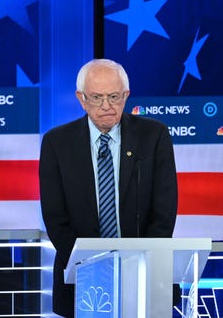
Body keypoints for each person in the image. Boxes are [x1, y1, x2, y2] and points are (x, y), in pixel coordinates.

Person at [39, 59, 177, 317]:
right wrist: (91, 266)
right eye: (96, 97)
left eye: (114, 97)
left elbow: (164, 210)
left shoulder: (154, 135)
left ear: (126, 96)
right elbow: (55, 217)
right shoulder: (57, 143)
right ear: (81, 98)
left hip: (144, 273)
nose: (106, 106)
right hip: (79, 277)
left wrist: (139, 263)